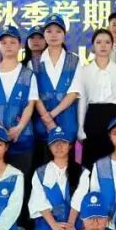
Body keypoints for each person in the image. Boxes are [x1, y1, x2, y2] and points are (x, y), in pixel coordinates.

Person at [0, 25, 37, 175]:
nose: (8, 46)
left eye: (12, 42)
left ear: (20, 45)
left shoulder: (28, 74)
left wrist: (19, 127)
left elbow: (30, 104)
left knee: (22, 178)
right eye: (3, 43)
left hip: (22, 136)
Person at [33, 14, 82, 167]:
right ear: (44, 35)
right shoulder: (34, 62)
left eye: (58, 31)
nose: (53, 35)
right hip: (42, 123)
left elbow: (74, 92)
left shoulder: (74, 60)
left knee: (71, 166)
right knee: (44, 166)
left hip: (67, 120)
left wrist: (51, 115)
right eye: (49, 31)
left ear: (64, 35)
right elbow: (34, 95)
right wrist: (46, 118)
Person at [77, 28, 116, 169]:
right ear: (93, 45)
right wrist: (80, 127)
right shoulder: (84, 70)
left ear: (112, 45)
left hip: (114, 116)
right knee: (91, 160)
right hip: (93, 116)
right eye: (99, 42)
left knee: (114, 159)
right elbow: (82, 101)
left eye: (107, 42)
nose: (103, 46)